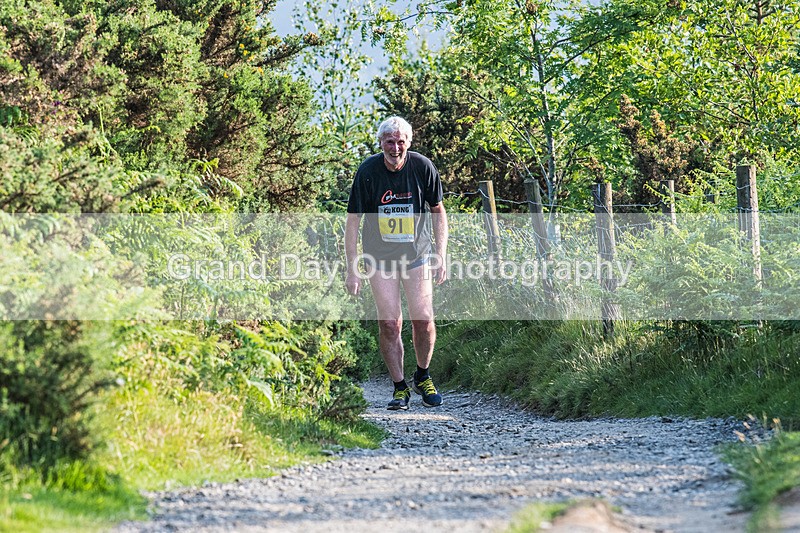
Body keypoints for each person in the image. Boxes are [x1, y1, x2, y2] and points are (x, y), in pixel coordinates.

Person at [344, 116, 449, 410]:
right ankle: (400, 387)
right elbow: (353, 221)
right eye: (389, 141)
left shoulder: (422, 167)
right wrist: (352, 266)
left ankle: (423, 376)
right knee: (390, 323)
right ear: (381, 144)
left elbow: (438, 211)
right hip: (379, 258)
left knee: (424, 319)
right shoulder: (368, 172)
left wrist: (440, 254)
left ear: (409, 143)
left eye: (401, 141)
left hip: (417, 255)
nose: (395, 147)